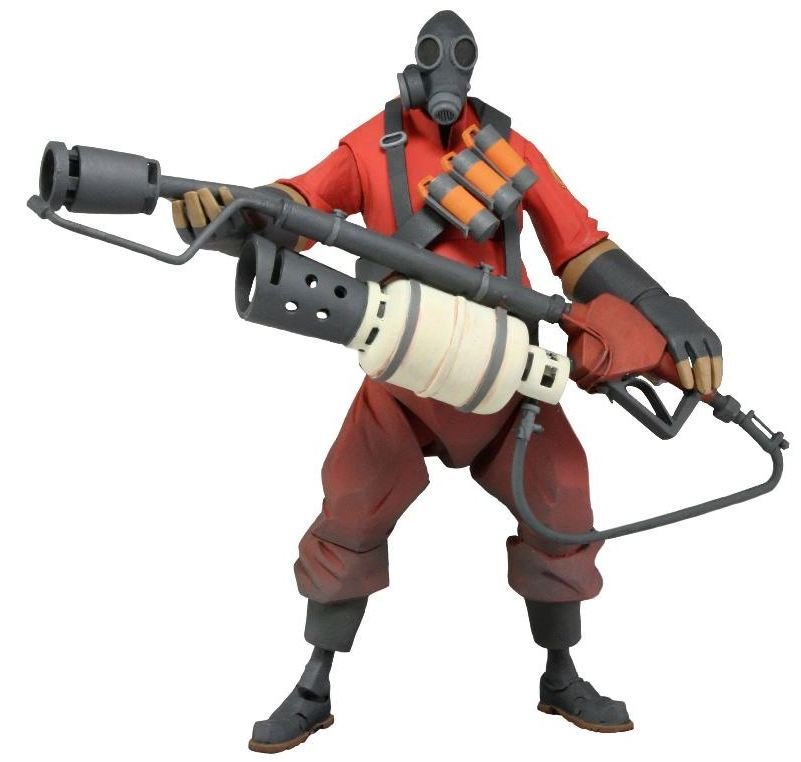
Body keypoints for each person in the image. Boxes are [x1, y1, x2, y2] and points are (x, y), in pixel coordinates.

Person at [171, 10, 723, 752]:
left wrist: (659, 305)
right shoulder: (371, 145)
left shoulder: (506, 150)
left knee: (561, 499)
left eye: (459, 56)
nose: (446, 71)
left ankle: (560, 674)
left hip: (508, 373)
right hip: (405, 371)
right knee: (350, 506)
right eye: (435, 54)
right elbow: (297, 207)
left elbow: (578, 247)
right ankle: (313, 685)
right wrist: (231, 215)